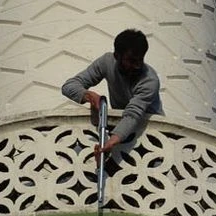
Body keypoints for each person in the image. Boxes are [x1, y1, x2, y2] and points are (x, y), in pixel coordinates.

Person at [61, 29, 162, 157]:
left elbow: (133, 114)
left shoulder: (150, 80)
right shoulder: (106, 62)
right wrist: (89, 96)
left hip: (152, 139)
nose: (136, 66)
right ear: (117, 56)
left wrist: (111, 142)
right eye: (131, 61)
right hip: (121, 133)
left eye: (140, 60)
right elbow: (69, 86)